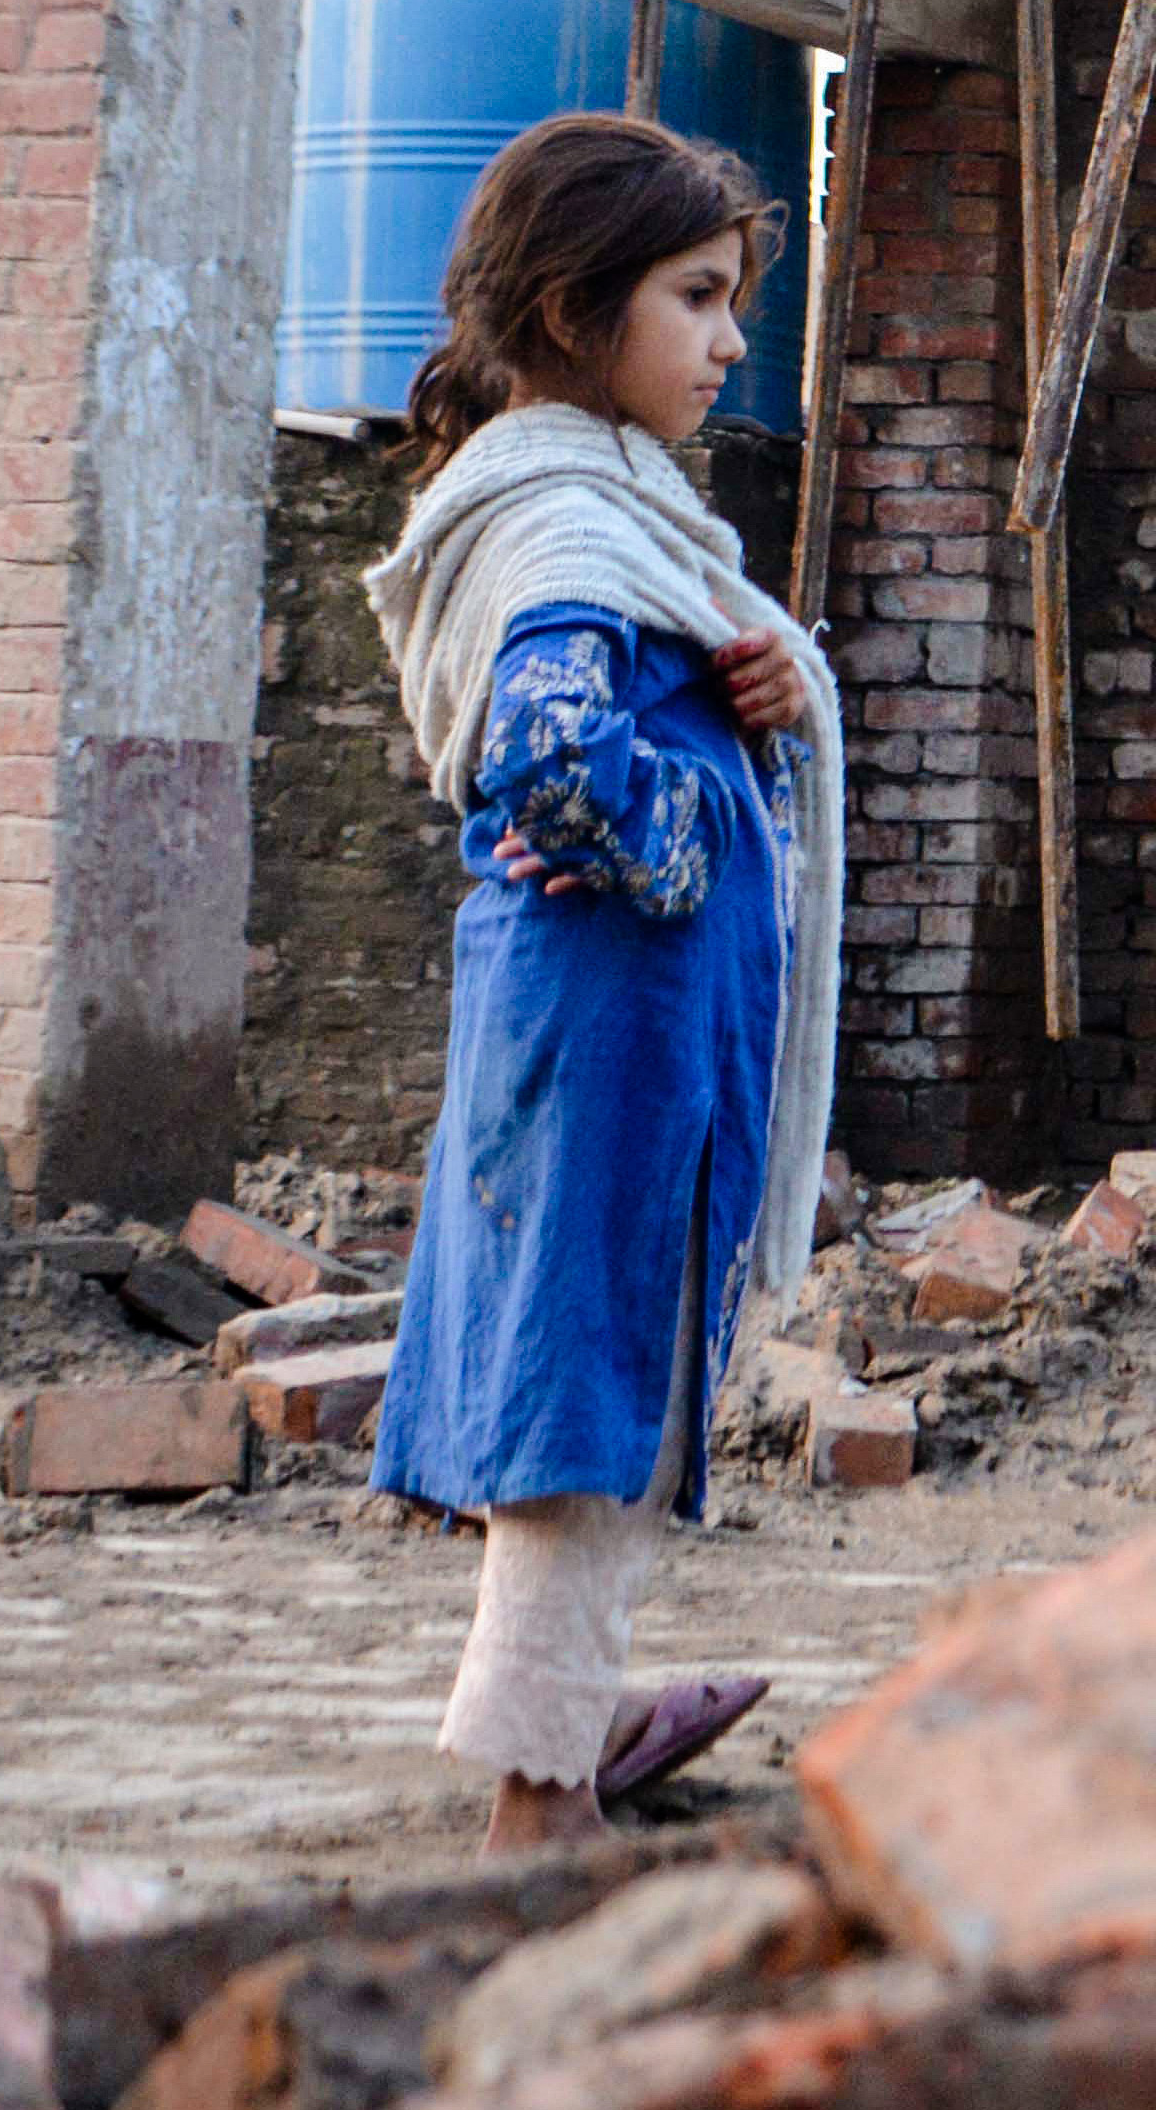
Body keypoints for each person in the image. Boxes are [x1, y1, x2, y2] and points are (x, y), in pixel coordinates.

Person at [360, 111, 847, 1851]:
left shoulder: (613, 509)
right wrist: (681, 841)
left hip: (620, 1029)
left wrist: (753, 712)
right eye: (698, 298)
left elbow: (618, 725)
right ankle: (537, 1799)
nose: (729, 342)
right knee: (585, 1397)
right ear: (576, 312)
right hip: (605, 1026)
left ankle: (558, 1739)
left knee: (606, 1379)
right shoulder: (567, 519)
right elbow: (551, 758)